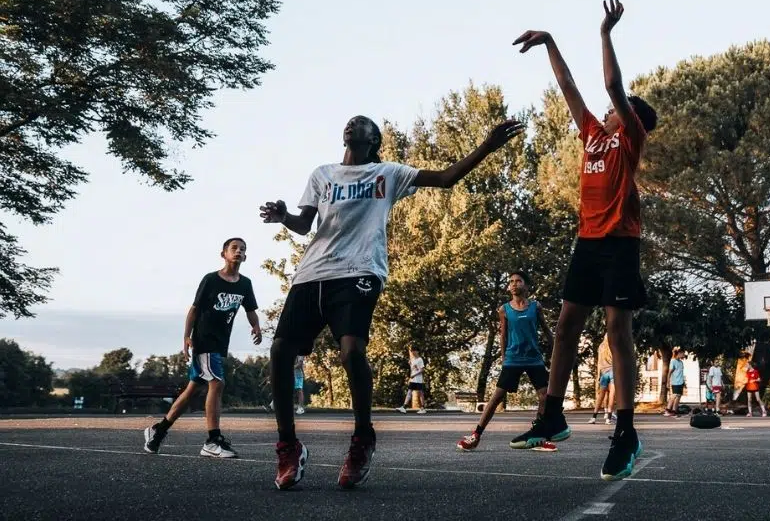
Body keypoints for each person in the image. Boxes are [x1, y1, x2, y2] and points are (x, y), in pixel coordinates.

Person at [259, 114, 523, 490]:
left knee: (351, 351)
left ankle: (362, 440)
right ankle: (288, 447)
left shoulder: (387, 173)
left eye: (362, 124)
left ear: (374, 139)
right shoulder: (322, 174)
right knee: (280, 350)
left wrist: (486, 146)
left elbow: (446, 178)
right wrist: (283, 215)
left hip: (360, 270)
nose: (353, 125)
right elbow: (305, 226)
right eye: (349, 123)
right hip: (312, 274)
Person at [509, 0, 659, 482]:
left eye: (619, 108)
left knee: (618, 331)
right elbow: (568, 86)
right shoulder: (593, 134)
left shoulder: (629, 136)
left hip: (620, 241)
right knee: (567, 324)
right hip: (588, 241)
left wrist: (605, 33)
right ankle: (552, 414)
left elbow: (612, 84)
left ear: (629, 116)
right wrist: (550, 40)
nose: (611, 108)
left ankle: (625, 430)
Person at [143, 237, 262, 457]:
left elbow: (250, 309)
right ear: (223, 254)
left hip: (220, 342)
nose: (238, 251)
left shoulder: (245, 283)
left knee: (192, 390)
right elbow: (194, 309)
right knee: (217, 383)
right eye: (234, 248)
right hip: (204, 339)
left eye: (242, 249)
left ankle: (157, 432)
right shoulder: (211, 280)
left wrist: (256, 326)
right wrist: (187, 337)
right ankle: (212, 440)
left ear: (245, 256)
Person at [458, 271, 555, 451]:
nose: (514, 284)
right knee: (496, 397)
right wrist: (504, 359)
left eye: (518, 281)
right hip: (513, 359)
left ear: (526, 286)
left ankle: (538, 437)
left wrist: (556, 350)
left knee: (544, 396)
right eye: (511, 281)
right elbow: (503, 336)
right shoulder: (504, 309)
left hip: (534, 359)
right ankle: (476, 435)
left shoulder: (535, 307)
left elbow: (547, 330)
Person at [591, 336, 614, 425]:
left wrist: (598, 375)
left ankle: (593, 417)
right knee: (612, 395)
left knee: (601, 396)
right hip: (613, 371)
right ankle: (608, 418)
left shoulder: (601, 347)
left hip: (603, 372)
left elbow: (599, 363)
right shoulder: (613, 345)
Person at [400, 346, 427, 414]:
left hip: (418, 380)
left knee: (420, 393)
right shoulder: (412, 359)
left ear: (417, 351)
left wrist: (414, 375)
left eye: (414, 351)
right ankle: (404, 407)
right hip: (413, 380)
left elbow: (422, 370)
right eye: (412, 351)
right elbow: (413, 369)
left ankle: (423, 408)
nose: (413, 352)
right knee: (409, 392)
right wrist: (410, 364)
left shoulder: (420, 359)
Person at [664, 347, 686, 417]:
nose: (684, 355)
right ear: (679, 353)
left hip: (681, 382)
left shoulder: (681, 362)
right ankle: (667, 410)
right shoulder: (673, 361)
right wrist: (668, 382)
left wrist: (684, 382)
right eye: (683, 353)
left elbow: (681, 373)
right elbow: (669, 372)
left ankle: (674, 411)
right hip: (675, 382)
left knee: (678, 396)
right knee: (674, 395)